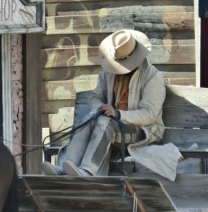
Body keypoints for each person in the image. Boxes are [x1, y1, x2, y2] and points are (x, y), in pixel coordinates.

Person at [44, 29, 166, 177]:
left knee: (103, 123)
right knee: (89, 119)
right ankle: (64, 168)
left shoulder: (152, 76)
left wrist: (118, 114)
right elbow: (94, 97)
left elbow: (150, 114)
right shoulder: (108, 72)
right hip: (111, 125)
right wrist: (99, 108)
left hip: (142, 131)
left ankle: (89, 171)